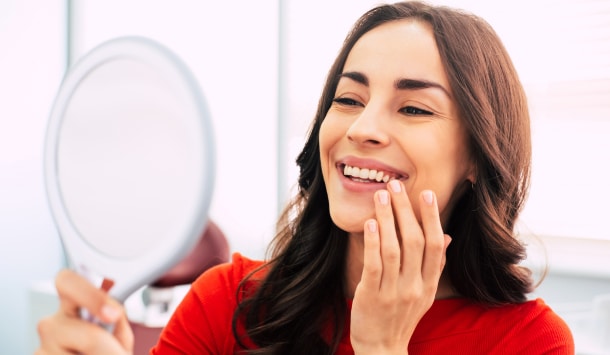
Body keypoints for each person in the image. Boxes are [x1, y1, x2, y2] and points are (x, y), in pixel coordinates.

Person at [36, 1, 575, 354]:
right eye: (348, 99)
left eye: (413, 109)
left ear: (479, 155)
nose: (363, 128)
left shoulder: (531, 343)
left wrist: (382, 349)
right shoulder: (226, 303)